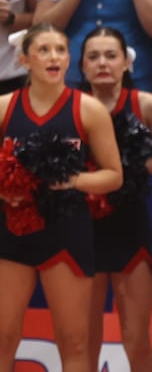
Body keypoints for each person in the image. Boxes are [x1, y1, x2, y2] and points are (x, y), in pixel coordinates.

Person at [0, 23, 122, 372]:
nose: (54, 57)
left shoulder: (89, 110)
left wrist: (69, 180)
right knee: (3, 337)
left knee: (74, 341)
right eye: (43, 50)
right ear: (24, 59)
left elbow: (114, 176)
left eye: (60, 50)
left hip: (66, 230)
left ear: (69, 58)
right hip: (11, 231)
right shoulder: (5, 107)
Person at [77, 26, 152, 372]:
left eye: (110, 55)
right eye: (93, 56)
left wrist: (136, 163)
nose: (102, 63)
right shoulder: (72, 106)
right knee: (82, 340)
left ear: (126, 64)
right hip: (81, 229)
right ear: (82, 67)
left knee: (135, 339)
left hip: (129, 228)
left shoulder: (145, 105)